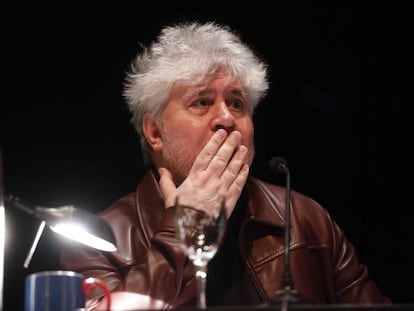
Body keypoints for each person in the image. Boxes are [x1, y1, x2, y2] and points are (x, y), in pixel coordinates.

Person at [60, 21, 391, 309]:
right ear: (155, 132)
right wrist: (183, 229)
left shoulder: (306, 219)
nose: (226, 119)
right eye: (202, 102)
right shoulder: (98, 243)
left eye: (237, 103)